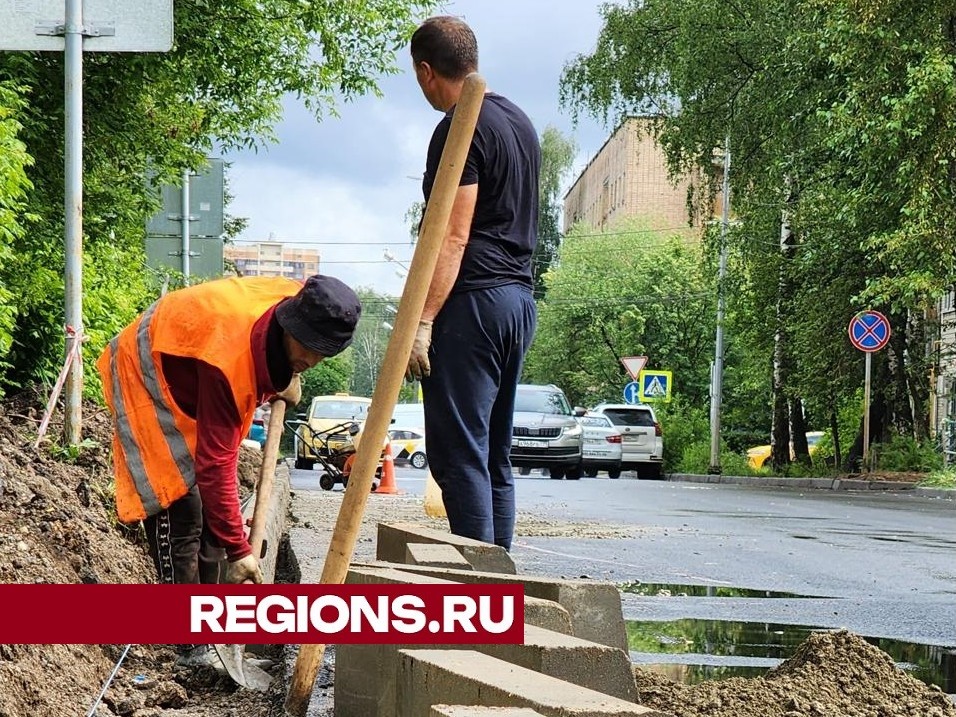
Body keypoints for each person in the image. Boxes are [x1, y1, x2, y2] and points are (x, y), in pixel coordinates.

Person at [97, 274, 361, 589]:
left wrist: (291, 373)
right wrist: (239, 549)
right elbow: (214, 465)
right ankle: (183, 633)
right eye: (307, 347)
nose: (313, 360)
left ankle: (211, 615)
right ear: (289, 325)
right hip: (144, 373)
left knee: (214, 520)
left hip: (196, 373)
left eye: (323, 352)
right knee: (182, 510)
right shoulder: (226, 363)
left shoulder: (307, 298)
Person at [407, 16, 540, 550]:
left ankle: (480, 603)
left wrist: (422, 321)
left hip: (473, 304)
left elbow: (452, 236)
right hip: (518, 303)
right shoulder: (518, 121)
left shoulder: (461, 127)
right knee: (492, 454)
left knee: (458, 453)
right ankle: (498, 593)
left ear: (425, 71)